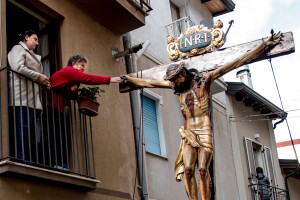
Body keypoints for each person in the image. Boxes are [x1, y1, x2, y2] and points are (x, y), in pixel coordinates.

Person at [120, 32, 282, 200]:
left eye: (177, 78)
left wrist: (264, 45)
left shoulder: (204, 81)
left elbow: (236, 62)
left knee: (203, 169)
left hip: (204, 132)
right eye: (173, 79)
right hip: (189, 134)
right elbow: (150, 82)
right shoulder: (177, 88)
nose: (175, 82)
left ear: (184, 73)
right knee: (188, 170)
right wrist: (130, 80)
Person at [47, 54, 122, 168]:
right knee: (56, 135)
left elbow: (60, 88)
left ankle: (59, 164)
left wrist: (71, 90)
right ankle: (56, 163)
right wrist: (110, 79)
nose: (83, 68)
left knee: (58, 135)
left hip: (57, 107)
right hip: (52, 106)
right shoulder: (70, 71)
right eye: (82, 65)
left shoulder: (70, 76)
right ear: (74, 64)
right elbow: (89, 78)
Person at [8, 29, 50, 162]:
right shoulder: (18, 49)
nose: (37, 43)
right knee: (23, 129)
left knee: (30, 132)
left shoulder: (31, 54)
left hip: (32, 99)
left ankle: (28, 160)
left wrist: (44, 82)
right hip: (22, 97)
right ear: (26, 37)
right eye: (35, 39)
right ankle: (23, 160)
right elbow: (18, 67)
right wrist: (39, 76)